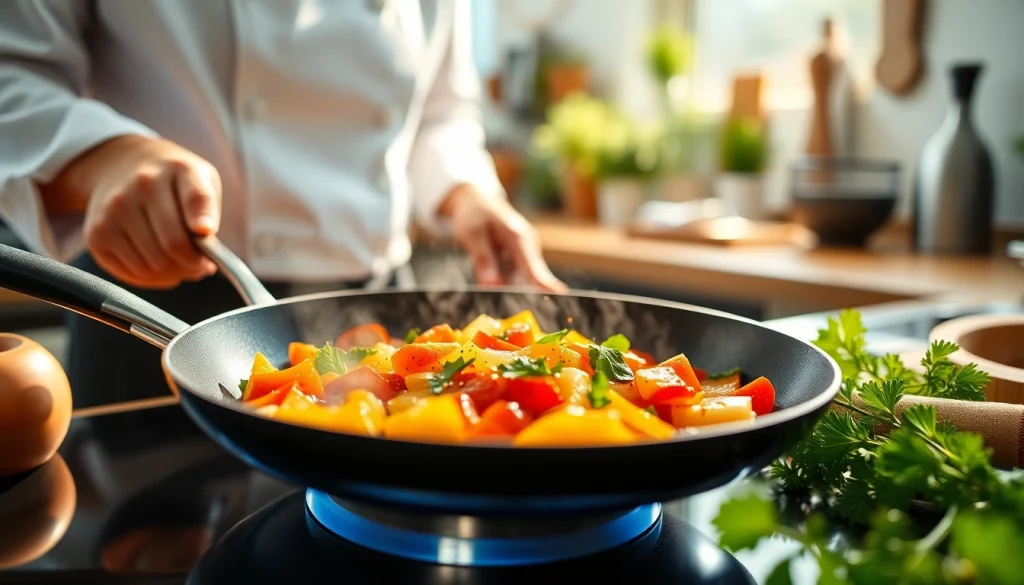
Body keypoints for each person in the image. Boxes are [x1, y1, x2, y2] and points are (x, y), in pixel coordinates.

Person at [0, 0, 566, 408]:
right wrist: (105, 156)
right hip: (166, 294)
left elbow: (441, 113)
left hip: (376, 312)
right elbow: (12, 69)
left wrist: (467, 196)